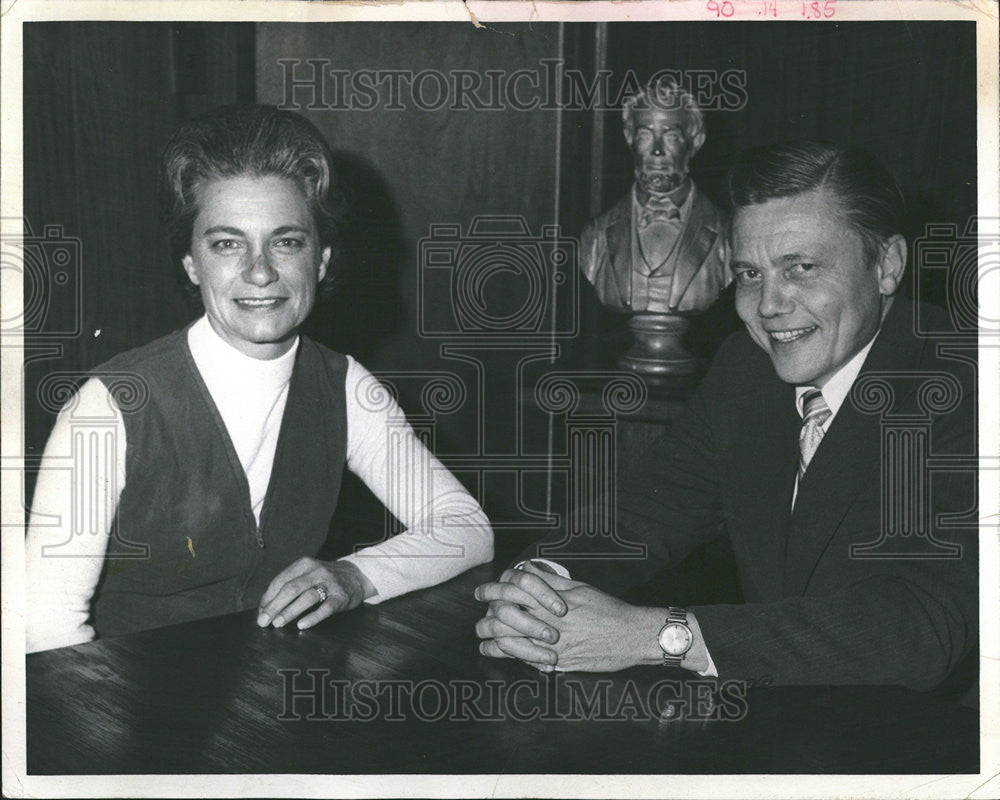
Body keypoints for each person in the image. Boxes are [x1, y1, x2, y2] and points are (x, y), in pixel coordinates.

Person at [475, 141, 977, 692]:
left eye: (801, 268)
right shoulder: (747, 367)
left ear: (887, 266)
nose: (768, 306)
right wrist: (539, 587)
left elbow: (925, 625)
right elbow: (645, 513)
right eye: (750, 274)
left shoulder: (967, 383)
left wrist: (659, 637)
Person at [25, 105, 492, 652]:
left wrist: (356, 576)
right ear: (192, 264)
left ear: (321, 261)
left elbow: (465, 527)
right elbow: (45, 623)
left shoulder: (346, 387)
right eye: (227, 243)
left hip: (273, 698)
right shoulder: (106, 407)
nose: (260, 270)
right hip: (128, 704)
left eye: (286, 241)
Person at [578, 74, 729, 316]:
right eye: (645, 135)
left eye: (671, 137)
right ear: (629, 138)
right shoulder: (595, 235)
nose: (657, 150)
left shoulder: (727, 234)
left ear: (695, 141)